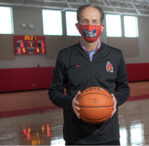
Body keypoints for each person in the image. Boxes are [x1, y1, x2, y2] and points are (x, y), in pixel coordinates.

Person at [48, 4, 130, 145]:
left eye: (94, 21)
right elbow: (54, 92)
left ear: (101, 26)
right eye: (85, 21)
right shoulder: (65, 55)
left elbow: (124, 88)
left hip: (108, 135)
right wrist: (69, 103)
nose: (89, 25)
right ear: (78, 26)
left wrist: (116, 100)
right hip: (76, 135)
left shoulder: (116, 55)